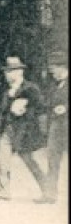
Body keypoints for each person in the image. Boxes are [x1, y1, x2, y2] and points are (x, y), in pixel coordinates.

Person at [0, 56, 50, 201]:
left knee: (30, 162)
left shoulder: (30, 89)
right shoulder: (6, 93)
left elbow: (41, 109)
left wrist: (26, 109)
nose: (7, 75)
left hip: (24, 131)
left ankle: (47, 190)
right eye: (6, 72)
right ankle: (3, 192)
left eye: (11, 71)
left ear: (20, 72)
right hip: (8, 131)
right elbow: (3, 115)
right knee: (3, 163)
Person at [44, 51, 67, 204]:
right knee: (52, 160)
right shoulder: (52, 84)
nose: (51, 71)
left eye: (54, 67)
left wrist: (66, 107)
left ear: (62, 67)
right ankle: (50, 194)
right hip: (55, 127)